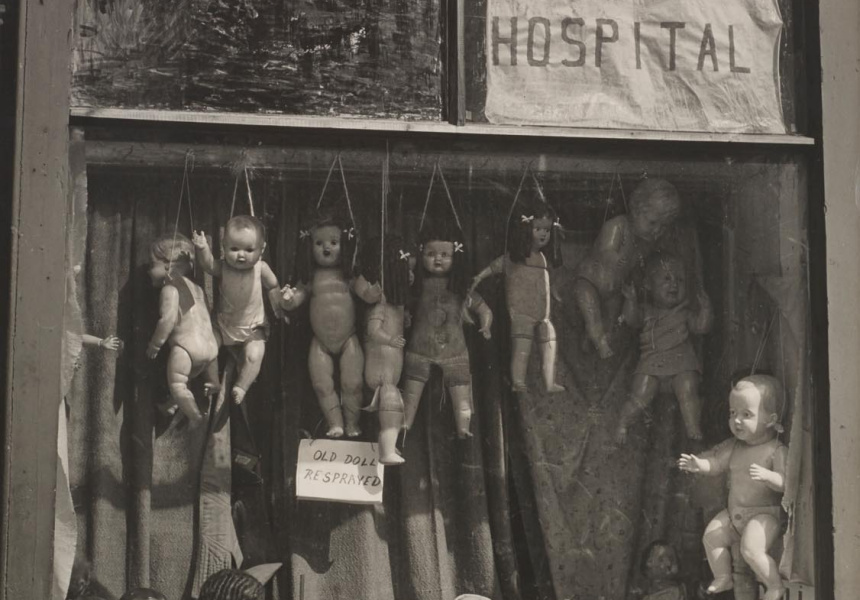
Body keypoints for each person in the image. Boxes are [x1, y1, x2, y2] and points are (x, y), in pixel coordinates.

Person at [678, 374, 787, 600]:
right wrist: (700, 465)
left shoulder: (776, 449)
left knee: (751, 549)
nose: (736, 420)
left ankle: (774, 585)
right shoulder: (735, 447)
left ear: (771, 419)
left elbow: (785, 483)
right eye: (732, 413)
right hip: (734, 515)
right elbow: (716, 464)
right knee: (711, 536)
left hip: (764, 515)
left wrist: (769, 476)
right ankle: (723, 576)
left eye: (746, 414)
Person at [573, 178, 682, 359]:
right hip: (589, 282)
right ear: (637, 210)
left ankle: (594, 340)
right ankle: (598, 341)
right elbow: (605, 249)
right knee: (592, 314)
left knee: (611, 321)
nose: (656, 231)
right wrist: (615, 258)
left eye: (663, 227)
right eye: (652, 223)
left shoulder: (645, 242)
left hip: (615, 290)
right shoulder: (618, 225)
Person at [401, 224, 493, 439]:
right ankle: (405, 422)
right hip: (419, 349)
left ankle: (463, 427)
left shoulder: (460, 289)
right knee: (411, 391)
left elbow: (483, 309)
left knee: (461, 392)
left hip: (455, 351)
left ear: (456, 257)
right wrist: (404, 316)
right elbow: (402, 307)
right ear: (421, 255)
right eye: (431, 254)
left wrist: (486, 325)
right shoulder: (417, 286)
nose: (438, 259)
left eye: (445, 255)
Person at [280, 214, 364, 438]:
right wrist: (288, 299)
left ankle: (352, 423)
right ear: (309, 247)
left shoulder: (349, 276)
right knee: (321, 385)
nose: (326, 248)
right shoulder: (310, 278)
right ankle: (335, 423)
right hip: (320, 342)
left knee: (353, 383)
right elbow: (297, 298)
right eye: (319, 243)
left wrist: (373, 292)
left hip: (348, 339)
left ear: (345, 245)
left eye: (334, 242)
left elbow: (365, 292)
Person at [615, 253, 712, 444]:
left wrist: (706, 310)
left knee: (688, 390)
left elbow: (701, 327)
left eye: (680, 280)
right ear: (649, 285)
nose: (674, 284)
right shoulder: (647, 311)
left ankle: (692, 426)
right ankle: (623, 422)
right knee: (640, 396)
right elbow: (631, 320)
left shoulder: (684, 312)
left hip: (681, 363)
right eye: (666, 279)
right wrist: (631, 301)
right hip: (651, 364)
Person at [470, 203, 565, 393]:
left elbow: (549, 280)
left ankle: (549, 382)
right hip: (521, 314)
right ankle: (518, 381)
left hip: (543, 315)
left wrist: (554, 293)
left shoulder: (544, 259)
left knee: (549, 344)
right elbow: (494, 267)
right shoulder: (514, 258)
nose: (543, 234)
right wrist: (479, 277)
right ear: (525, 229)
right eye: (538, 229)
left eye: (547, 230)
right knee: (522, 348)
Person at [193, 216, 285, 404]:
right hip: (223, 325)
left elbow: (273, 286)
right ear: (224, 246)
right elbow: (208, 265)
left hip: (253, 328)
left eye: (249, 250)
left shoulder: (261, 268)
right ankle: (212, 381)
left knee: (255, 354)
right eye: (234, 249)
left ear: (262, 249)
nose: (241, 255)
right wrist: (202, 249)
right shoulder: (223, 267)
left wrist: (277, 304)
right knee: (207, 348)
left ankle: (241, 386)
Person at [147, 234, 220, 424]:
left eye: (152, 264)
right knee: (185, 379)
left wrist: (155, 344)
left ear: (168, 265)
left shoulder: (170, 289)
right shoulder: (198, 289)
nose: (148, 271)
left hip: (187, 349)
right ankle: (210, 383)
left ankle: (195, 416)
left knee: (177, 384)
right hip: (211, 349)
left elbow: (168, 320)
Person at [354, 235, 412, 465]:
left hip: (390, 369)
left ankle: (389, 444)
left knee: (392, 404)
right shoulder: (381, 305)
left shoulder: (396, 306)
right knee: (391, 400)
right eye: (406, 272)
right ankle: (387, 451)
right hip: (380, 371)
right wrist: (389, 340)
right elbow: (373, 330)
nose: (411, 277)